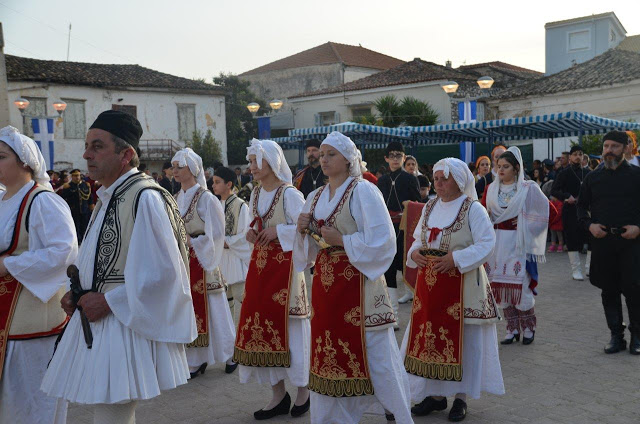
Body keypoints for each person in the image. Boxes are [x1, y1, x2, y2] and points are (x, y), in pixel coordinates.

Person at [41, 110, 196, 423]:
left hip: (123, 321)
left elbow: (166, 272)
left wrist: (109, 300)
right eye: (87, 145)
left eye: (97, 146)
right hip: (105, 319)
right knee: (113, 413)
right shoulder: (110, 195)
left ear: (126, 154)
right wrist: (79, 290)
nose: (86, 154)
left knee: (113, 412)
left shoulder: (145, 196)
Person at [294, 131, 412, 424]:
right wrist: (301, 230)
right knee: (328, 352)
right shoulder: (315, 196)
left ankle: (396, 410)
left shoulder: (364, 191)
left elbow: (384, 241)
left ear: (348, 160)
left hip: (361, 290)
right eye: (322, 155)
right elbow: (306, 254)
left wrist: (343, 241)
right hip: (326, 287)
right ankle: (332, 418)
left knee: (378, 355)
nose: (324, 160)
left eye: (331, 154)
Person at [401, 157, 503, 422]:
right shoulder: (430, 206)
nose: (438, 183)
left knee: (463, 342)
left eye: (443, 178)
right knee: (429, 340)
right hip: (430, 289)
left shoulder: (473, 209)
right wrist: (416, 253)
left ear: (458, 180)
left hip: (463, 288)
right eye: (435, 178)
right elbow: (415, 240)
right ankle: (435, 397)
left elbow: (487, 243)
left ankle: (460, 398)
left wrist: (456, 259)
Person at [0, 126, 78, 424]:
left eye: (1, 156)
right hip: (6, 321)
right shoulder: (2, 199)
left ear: (25, 162)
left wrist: (8, 265)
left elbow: (64, 252)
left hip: (30, 325)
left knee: (31, 401)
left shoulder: (43, 201)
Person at [233, 139, 310, 420]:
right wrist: (251, 234)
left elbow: (306, 230)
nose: (251, 167)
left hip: (287, 274)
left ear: (271, 162)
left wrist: (279, 232)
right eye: (251, 161)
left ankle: (303, 391)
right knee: (261, 330)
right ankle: (278, 394)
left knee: (292, 330)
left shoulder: (289, 194)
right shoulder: (254, 195)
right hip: (261, 270)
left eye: (255, 161)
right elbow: (251, 227)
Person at [172, 148, 237, 377]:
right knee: (190, 308)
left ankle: (230, 353)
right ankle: (196, 359)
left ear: (192, 169)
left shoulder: (206, 198)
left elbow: (218, 233)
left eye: (180, 167)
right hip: (186, 261)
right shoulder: (178, 196)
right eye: (174, 167)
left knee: (216, 309)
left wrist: (194, 242)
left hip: (204, 261)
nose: (175, 171)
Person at [577, 130, 640, 355]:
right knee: (609, 290)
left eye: (614, 146)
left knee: (635, 291)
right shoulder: (593, 178)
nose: (608, 151)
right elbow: (580, 207)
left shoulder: (636, 176)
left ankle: (637, 337)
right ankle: (616, 336)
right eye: (606, 147)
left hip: (632, 245)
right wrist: (589, 226)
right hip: (604, 244)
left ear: (626, 148)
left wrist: (638, 228)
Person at [483, 147, 551, 345]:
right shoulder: (491, 189)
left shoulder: (528, 188)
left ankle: (528, 328)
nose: (501, 170)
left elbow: (548, 212)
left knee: (521, 287)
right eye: (499, 166)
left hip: (519, 244)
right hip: (497, 244)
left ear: (516, 168)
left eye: (506, 166)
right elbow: (483, 213)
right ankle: (511, 329)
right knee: (500, 288)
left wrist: (526, 223)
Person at [377, 141, 421, 327]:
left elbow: (419, 204)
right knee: (388, 269)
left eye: (398, 155)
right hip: (387, 229)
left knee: (407, 268)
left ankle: (418, 316)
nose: (395, 159)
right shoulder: (382, 180)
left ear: (404, 158)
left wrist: (408, 209)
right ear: (386, 158)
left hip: (405, 230)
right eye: (391, 155)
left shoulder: (411, 179)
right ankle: (393, 315)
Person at [212, 166, 251, 326]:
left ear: (229, 184)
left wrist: (230, 242)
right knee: (224, 301)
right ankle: (228, 339)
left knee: (241, 298)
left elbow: (246, 234)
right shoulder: (214, 204)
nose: (213, 185)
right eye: (213, 182)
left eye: (217, 182)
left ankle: (244, 336)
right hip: (220, 259)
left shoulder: (241, 205)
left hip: (235, 258)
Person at [551, 145, 591, 280]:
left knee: (590, 237)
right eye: (575, 154)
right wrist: (567, 196)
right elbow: (554, 190)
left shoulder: (588, 173)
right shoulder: (564, 173)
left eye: (580, 154)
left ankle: (589, 268)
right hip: (570, 210)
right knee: (572, 238)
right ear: (570, 157)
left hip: (586, 210)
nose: (578, 157)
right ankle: (576, 270)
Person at [59, 168, 94, 243]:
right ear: (72, 176)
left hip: (84, 209)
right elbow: (64, 198)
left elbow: (90, 196)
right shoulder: (68, 186)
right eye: (75, 176)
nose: (77, 177)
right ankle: (77, 240)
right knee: (75, 226)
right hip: (74, 209)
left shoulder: (85, 185)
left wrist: (91, 205)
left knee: (85, 225)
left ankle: (85, 239)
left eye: (78, 175)